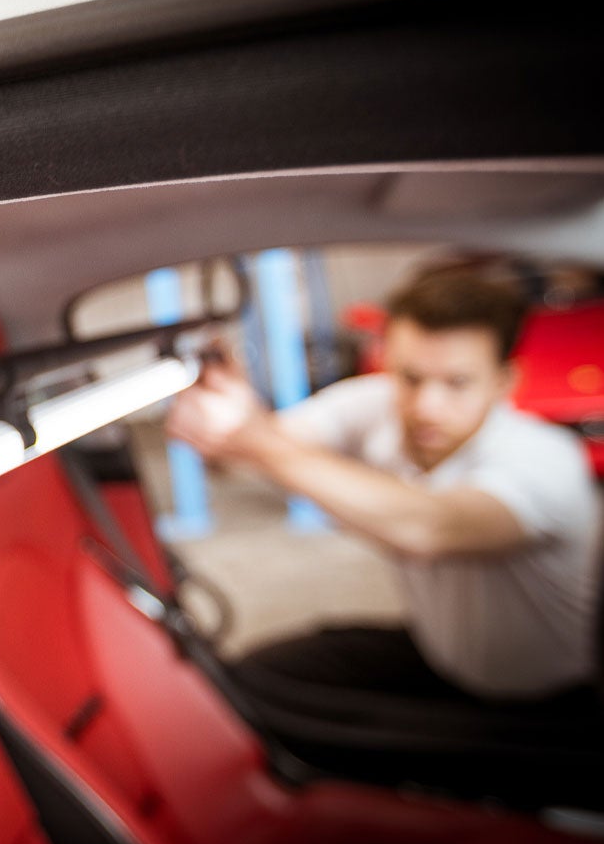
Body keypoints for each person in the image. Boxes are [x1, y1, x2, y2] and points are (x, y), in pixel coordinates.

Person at [165, 267, 601, 724]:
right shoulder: (375, 402)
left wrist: (255, 440)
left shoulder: (545, 459)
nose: (426, 405)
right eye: (410, 377)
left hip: (552, 705)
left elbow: (430, 528)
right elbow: (243, 457)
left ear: (504, 381)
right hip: (441, 660)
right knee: (244, 682)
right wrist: (225, 414)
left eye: (457, 383)